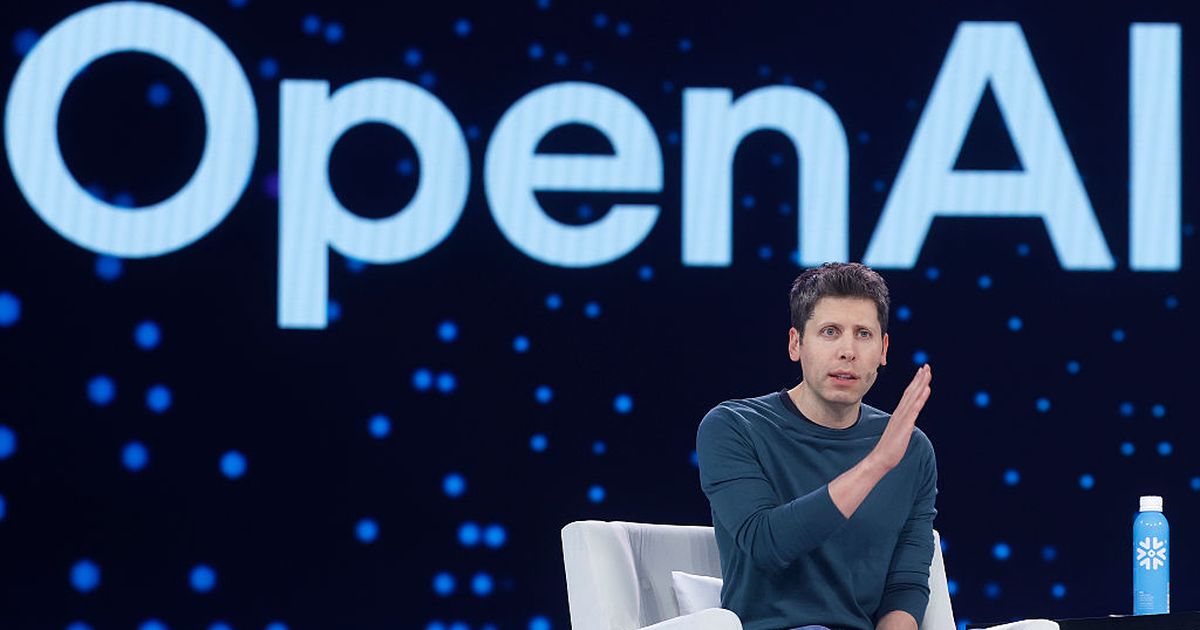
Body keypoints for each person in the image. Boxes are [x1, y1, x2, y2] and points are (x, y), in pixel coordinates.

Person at [696, 262, 936, 630]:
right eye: (830, 332)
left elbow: (905, 585)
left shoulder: (911, 450)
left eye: (863, 334)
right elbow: (766, 544)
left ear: (883, 349)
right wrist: (875, 466)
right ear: (796, 343)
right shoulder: (734, 427)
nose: (848, 351)